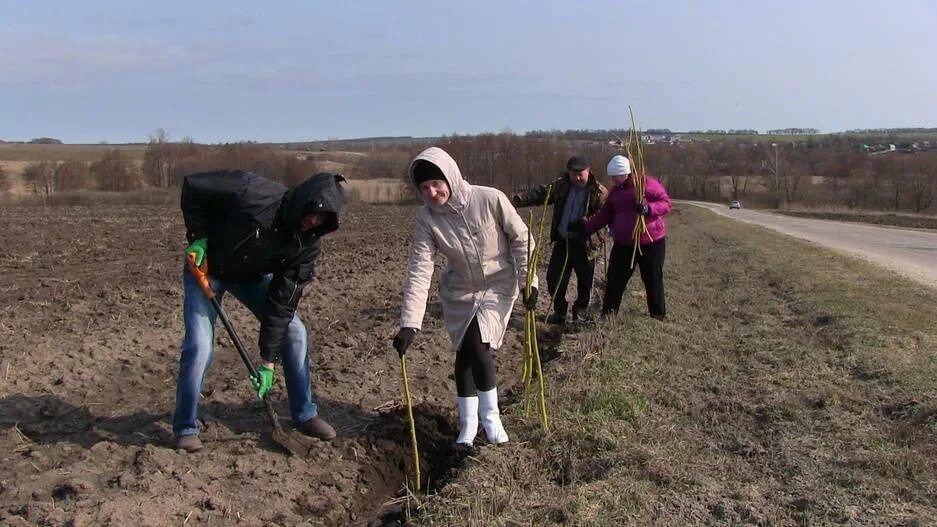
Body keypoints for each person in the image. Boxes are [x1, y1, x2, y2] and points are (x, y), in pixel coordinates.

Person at [174, 169, 345, 452]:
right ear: (302, 199)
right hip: (207, 266)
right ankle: (185, 427)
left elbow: (282, 304)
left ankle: (304, 413)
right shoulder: (251, 192)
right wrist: (198, 236)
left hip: (250, 277)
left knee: (295, 332)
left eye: (323, 219)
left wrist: (267, 361)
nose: (314, 220)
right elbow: (194, 187)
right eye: (314, 212)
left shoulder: (306, 246)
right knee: (200, 346)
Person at [393, 146, 537, 447]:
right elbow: (420, 269)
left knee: (477, 343)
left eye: (436, 183)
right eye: (424, 188)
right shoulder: (427, 219)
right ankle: (468, 425)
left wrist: (529, 283)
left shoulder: (489, 198)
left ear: (450, 176)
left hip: (498, 283)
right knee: (464, 352)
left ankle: (491, 419)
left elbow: (521, 239)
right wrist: (410, 323)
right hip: (459, 291)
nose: (432, 192)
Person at [512, 155, 608, 323]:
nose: (577, 178)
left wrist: (585, 225)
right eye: (573, 174)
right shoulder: (561, 185)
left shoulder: (598, 192)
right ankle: (560, 311)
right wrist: (520, 199)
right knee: (554, 278)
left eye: (580, 174)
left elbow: (604, 216)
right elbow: (542, 193)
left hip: (586, 244)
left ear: (589, 171)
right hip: (563, 241)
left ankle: (580, 312)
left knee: (585, 281)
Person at [573, 155, 671, 319]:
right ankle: (608, 314)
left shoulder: (646, 184)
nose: (612, 180)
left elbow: (666, 203)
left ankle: (657, 315)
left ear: (625, 173)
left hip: (651, 241)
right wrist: (585, 228)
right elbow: (604, 216)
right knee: (615, 278)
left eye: (614, 176)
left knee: (653, 278)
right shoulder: (615, 193)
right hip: (624, 243)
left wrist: (648, 209)